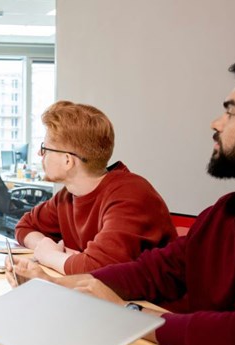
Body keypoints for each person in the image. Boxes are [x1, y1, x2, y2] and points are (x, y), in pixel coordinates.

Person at [15, 56, 235, 345]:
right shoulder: (227, 211)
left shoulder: (128, 191)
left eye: (231, 112)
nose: (216, 123)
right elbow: (155, 270)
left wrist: (128, 314)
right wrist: (56, 286)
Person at [14, 100, 177, 274]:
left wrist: (50, 256)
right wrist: (44, 246)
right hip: (94, 296)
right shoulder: (68, 196)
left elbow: (99, 270)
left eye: (45, 148)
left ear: (67, 160)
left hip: (147, 301)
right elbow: (25, 226)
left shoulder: (130, 194)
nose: (40, 153)